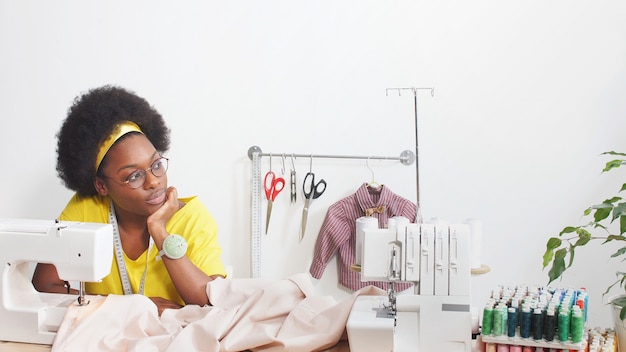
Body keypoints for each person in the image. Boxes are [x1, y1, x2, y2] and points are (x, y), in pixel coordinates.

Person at [32, 85, 226, 314]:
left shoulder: (191, 217)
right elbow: (44, 286)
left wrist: (160, 232)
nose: (153, 182)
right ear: (101, 186)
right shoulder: (86, 209)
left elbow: (212, 303)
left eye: (156, 165)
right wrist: (131, 307)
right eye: (134, 176)